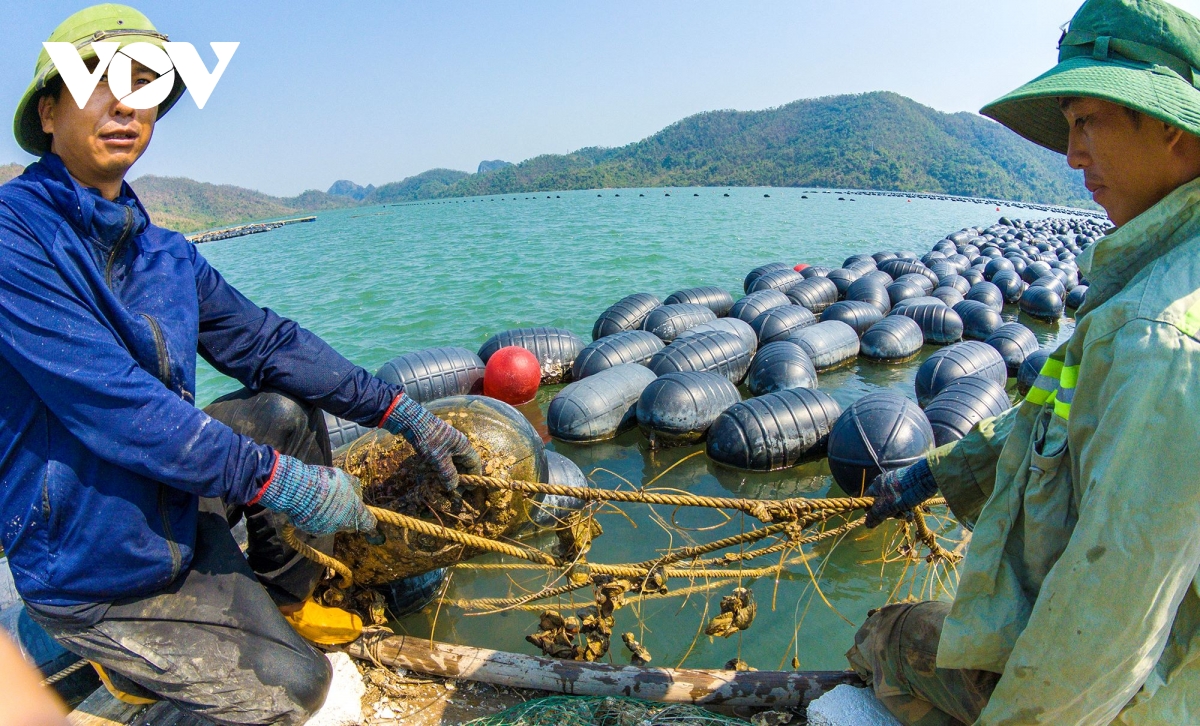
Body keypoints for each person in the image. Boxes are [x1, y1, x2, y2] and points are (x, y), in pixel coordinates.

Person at [0, 5, 481, 724]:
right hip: (94, 558)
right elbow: (116, 405)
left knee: (282, 410)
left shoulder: (163, 255)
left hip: (166, 504)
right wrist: (277, 481)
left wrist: (398, 410)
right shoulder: (15, 240)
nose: (127, 105)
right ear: (48, 111)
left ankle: (289, 599)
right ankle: (130, 653)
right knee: (300, 691)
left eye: (146, 88)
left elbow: (269, 342)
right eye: (99, 83)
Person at [848, 0, 1200, 723]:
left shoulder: (1156, 334)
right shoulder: (1154, 283)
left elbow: (1106, 631)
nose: (1072, 156)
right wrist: (939, 472)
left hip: (1150, 694)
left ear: (1169, 127)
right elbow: (1053, 414)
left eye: (1086, 123)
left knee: (887, 635)